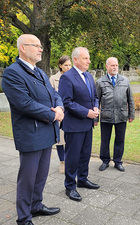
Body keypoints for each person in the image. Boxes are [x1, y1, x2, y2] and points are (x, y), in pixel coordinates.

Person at [2, 34, 63, 225]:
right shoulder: (13, 73)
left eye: (40, 45)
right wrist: (53, 115)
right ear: (22, 48)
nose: (40, 49)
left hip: (46, 131)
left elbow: (54, 94)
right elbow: (24, 104)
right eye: (35, 45)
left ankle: (36, 206)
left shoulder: (40, 72)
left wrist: (60, 107)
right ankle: (24, 218)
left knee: (41, 175)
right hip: (31, 133)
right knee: (27, 179)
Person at [58, 47, 100, 202]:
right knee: (73, 157)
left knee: (85, 155)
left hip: (88, 125)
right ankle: (70, 186)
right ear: (75, 59)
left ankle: (82, 179)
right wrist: (87, 112)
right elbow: (67, 102)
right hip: (74, 125)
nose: (89, 61)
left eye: (88, 58)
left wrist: (95, 106)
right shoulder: (67, 78)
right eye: (85, 58)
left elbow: (95, 96)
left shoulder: (89, 76)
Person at [96, 57, 135, 172]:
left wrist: (131, 114)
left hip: (121, 116)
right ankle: (105, 161)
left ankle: (118, 161)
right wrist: (95, 119)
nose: (115, 67)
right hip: (106, 116)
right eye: (112, 65)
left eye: (116, 65)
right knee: (105, 140)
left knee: (120, 140)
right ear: (107, 66)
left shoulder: (125, 81)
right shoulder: (100, 82)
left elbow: (130, 99)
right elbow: (96, 101)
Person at [49, 55, 72, 174]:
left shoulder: (74, 77)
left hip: (71, 113)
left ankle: (70, 161)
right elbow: (50, 96)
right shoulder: (53, 79)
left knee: (70, 139)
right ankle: (62, 162)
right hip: (59, 113)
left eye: (70, 65)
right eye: (66, 65)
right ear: (60, 66)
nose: (68, 67)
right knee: (60, 140)